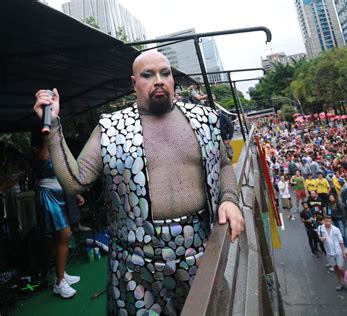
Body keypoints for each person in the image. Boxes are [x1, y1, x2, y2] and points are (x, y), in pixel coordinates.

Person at [33, 51, 244, 315]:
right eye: (148, 75)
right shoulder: (111, 127)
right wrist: (52, 126)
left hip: (200, 253)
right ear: (134, 83)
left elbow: (223, 165)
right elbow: (76, 181)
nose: (159, 80)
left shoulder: (204, 119)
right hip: (134, 267)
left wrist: (229, 199)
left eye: (165, 73)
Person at [35, 136, 82, 298]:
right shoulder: (42, 148)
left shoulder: (57, 146)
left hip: (61, 193)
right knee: (64, 234)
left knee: (59, 237)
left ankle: (61, 273)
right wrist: (47, 136)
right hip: (48, 194)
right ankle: (60, 282)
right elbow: (44, 158)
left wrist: (74, 193)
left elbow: (63, 171)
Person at [317, 216, 346, 290]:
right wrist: (321, 238)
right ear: (324, 221)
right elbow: (319, 237)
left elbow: (341, 241)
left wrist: (343, 252)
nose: (328, 223)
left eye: (329, 221)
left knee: (340, 268)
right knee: (336, 268)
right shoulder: (320, 228)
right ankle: (340, 282)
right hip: (329, 252)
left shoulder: (336, 229)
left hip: (338, 251)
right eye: (327, 221)